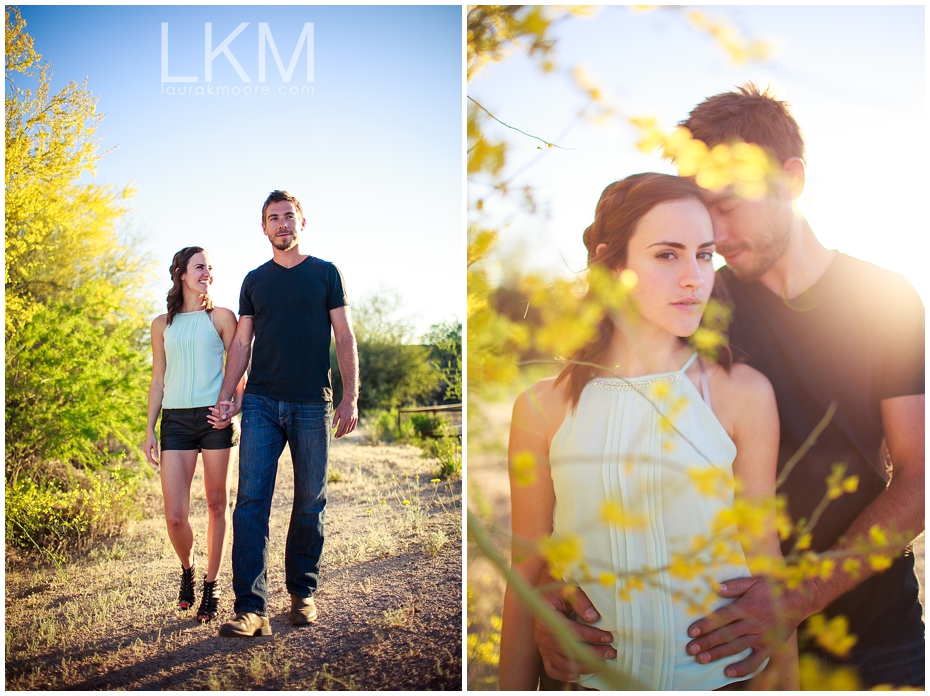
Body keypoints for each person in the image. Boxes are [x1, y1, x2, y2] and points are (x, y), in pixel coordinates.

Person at [534, 84, 925, 689]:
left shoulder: (884, 299)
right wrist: (548, 591)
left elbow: (919, 476)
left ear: (790, 179)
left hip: (877, 634)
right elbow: (599, 432)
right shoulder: (696, 300)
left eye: (729, 202)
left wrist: (797, 597)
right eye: (700, 205)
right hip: (718, 646)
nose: (713, 229)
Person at [500, 173, 798, 690]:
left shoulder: (742, 394)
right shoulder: (541, 407)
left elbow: (764, 563)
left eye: (704, 255)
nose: (694, 278)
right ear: (614, 265)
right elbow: (525, 574)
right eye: (667, 255)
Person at [208, 189, 360, 639]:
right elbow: (241, 343)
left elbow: (345, 336)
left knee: (310, 501)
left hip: (313, 402)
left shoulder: (326, 273)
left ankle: (302, 593)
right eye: (274, 218)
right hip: (260, 403)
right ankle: (251, 609)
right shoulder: (255, 281)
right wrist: (227, 396)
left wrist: (350, 396)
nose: (282, 224)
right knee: (251, 502)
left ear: (302, 223)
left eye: (289, 217)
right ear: (264, 227)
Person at [144, 246, 244, 623]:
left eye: (210, 267)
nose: (207, 272)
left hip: (214, 418)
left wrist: (232, 407)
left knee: (218, 505)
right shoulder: (161, 325)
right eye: (200, 267)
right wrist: (149, 429)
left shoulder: (221, 317)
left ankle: (212, 583)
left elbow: (239, 371)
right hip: (176, 422)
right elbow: (158, 379)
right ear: (182, 274)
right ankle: (188, 569)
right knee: (175, 516)